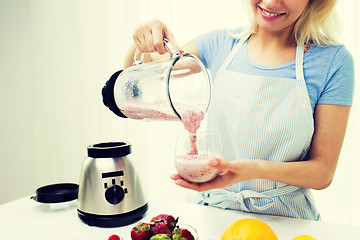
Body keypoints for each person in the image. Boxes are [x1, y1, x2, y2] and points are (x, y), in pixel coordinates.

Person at [124, 0, 354, 221]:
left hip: (289, 220)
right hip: (215, 213)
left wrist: (252, 170)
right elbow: (135, 79)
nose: (272, 3)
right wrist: (143, 39)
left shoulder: (333, 61)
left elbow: (323, 172)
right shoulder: (220, 44)